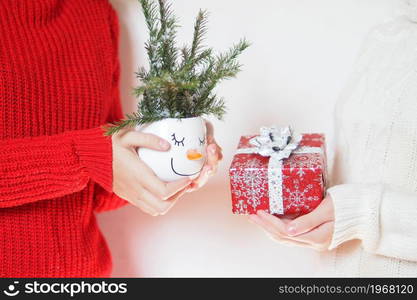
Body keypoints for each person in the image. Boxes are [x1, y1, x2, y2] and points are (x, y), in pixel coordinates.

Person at [0, 0, 221, 277]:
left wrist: (167, 162)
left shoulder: (94, 12)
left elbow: (96, 191)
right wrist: (84, 156)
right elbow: (89, 157)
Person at [248, 1, 417, 276]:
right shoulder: (385, 37)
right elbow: (358, 175)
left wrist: (360, 214)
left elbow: (359, 210)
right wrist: (312, 210)